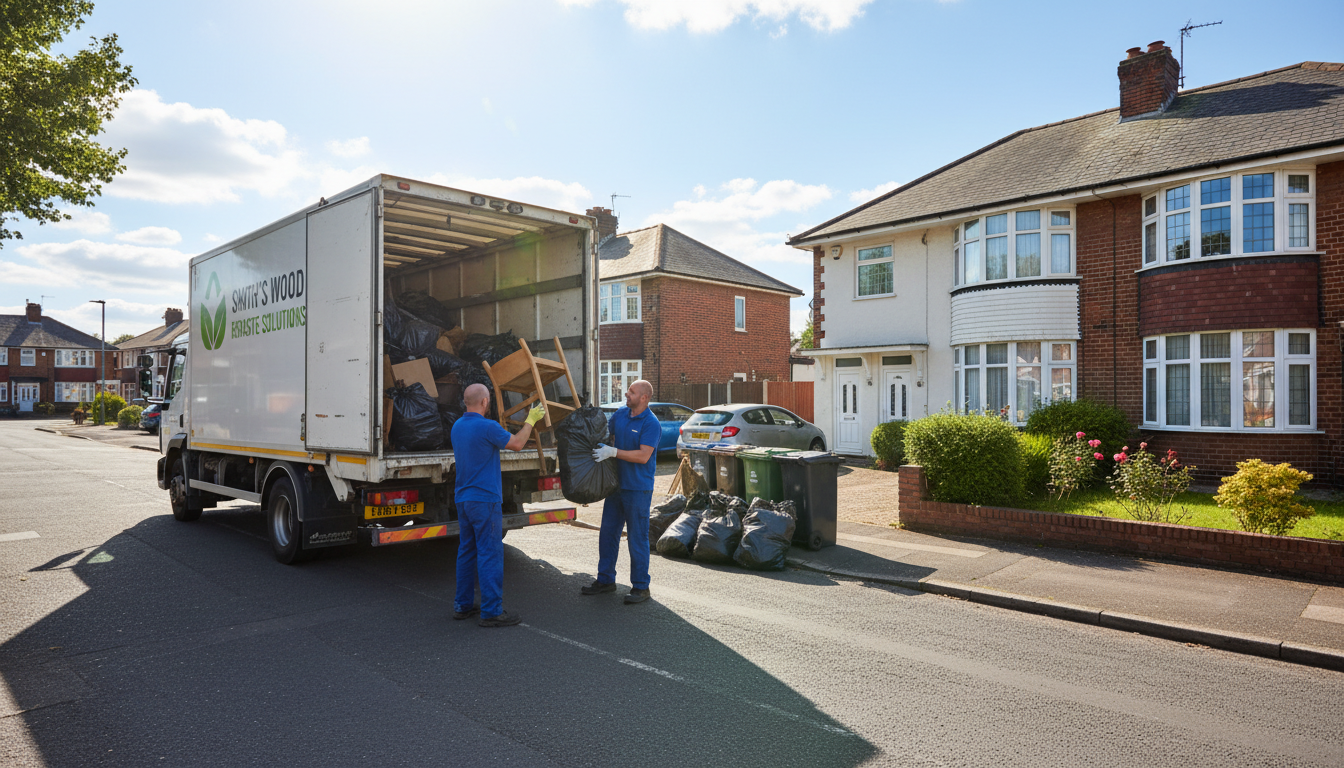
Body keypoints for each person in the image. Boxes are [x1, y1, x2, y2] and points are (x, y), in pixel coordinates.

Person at [451, 383, 547, 628]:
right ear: (484, 402)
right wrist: (531, 420)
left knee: (467, 551)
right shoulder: (487, 427)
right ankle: (492, 611)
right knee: (489, 552)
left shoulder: (457, 426)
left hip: (463, 499)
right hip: (485, 501)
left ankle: (462, 605)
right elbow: (516, 444)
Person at [582, 379, 660, 604]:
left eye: (632, 392)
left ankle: (641, 587)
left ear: (643, 398)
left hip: (638, 489)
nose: (627, 394)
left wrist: (614, 452)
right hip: (616, 487)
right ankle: (605, 580)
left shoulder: (651, 423)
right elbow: (605, 434)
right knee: (607, 534)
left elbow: (643, 455)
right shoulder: (620, 415)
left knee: (637, 538)